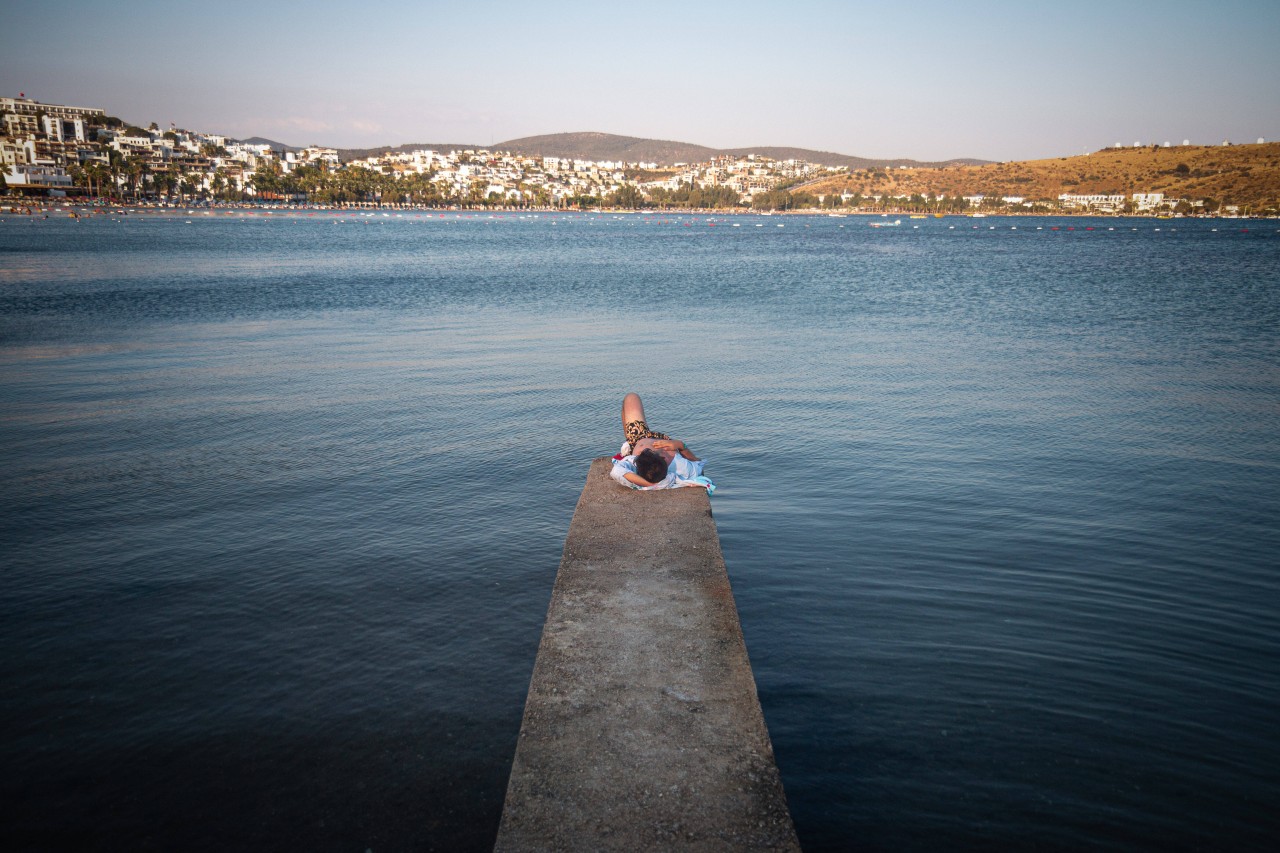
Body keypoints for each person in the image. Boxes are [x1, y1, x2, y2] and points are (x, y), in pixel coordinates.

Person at [612, 393, 709, 490]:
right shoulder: (681, 467)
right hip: (668, 441)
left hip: (639, 436)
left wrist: (649, 485)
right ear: (664, 458)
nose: (648, 450)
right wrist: (680, 445)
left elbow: (616, 471)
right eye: (651, 452)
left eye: (644, 453)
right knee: (631, 398)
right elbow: (698, 465)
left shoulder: (634, 464)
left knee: (631, 398)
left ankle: (629, 442)